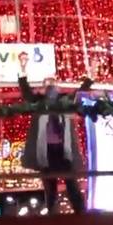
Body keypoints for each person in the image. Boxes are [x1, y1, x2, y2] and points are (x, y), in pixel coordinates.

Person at [18, 58, 93, 215]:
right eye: (47, 83)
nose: (50, 85)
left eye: (53, 82)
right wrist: (23, 68)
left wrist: (91, 74)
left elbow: (81, 91)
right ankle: (53, 215)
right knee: (50, 186)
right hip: (46, 151)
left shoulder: (65, 100)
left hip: (62, 149)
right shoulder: (38, 101)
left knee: (71, 183)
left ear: (57, 86)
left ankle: (81, 213)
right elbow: (26, 91)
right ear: (43, 87)